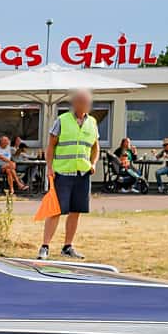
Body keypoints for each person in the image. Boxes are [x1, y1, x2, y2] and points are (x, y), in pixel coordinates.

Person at [42, 89, 101, 259]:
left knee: (76, 210)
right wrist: (49, 167)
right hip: (63, 171)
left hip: (83, 173)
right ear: (74, 103)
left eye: (87, 102)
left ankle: (68, 246)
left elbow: (96, 146)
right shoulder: (62, 120)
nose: (84, 105)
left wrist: (93, 163)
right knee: (56, 210)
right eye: (81, 101)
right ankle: (45, 246)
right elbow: (51, 145)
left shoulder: (93, 123)